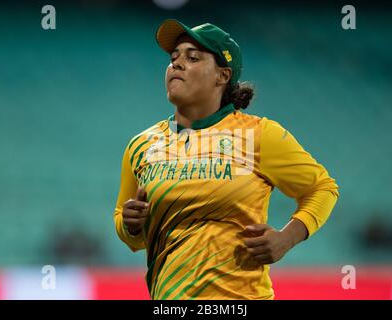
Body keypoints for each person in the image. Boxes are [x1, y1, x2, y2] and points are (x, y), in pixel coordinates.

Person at [113, 19, 339, 300]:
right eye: (173, 58)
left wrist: (287, 237)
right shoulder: (142, 145)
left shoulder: (259, 135)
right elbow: (131, 236)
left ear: (222, 76)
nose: (177, 64)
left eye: (192, 57)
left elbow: (322, 187)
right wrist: (131, 225)